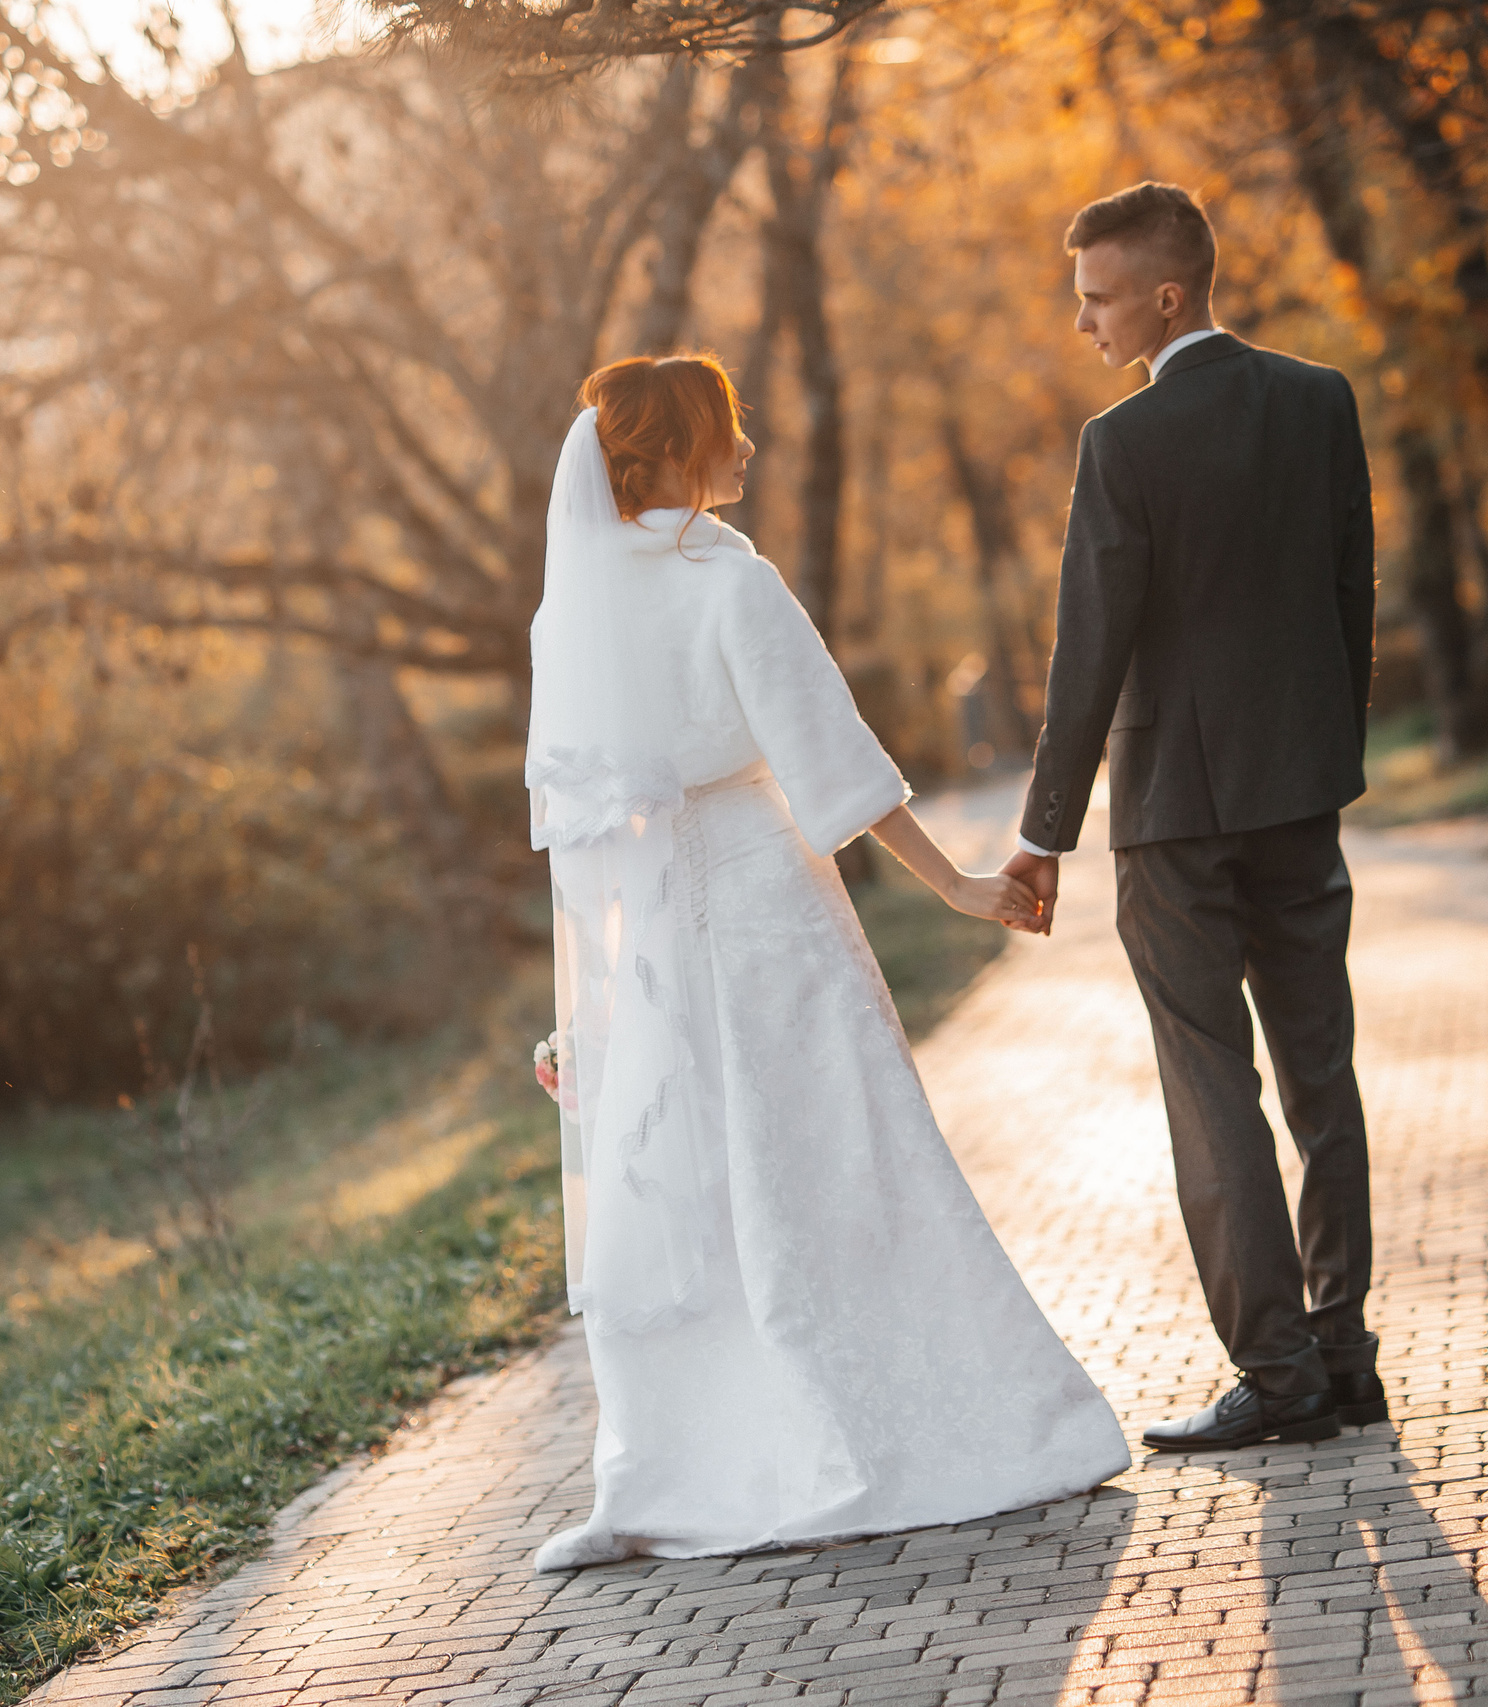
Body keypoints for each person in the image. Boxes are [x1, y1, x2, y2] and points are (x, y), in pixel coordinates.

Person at [527, 354, 1130, 1571]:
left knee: (684, 1187)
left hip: (646, 930)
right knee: (842, 1164)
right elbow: (828, 762)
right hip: (760, 900)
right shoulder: (727, 581)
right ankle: (927, 1432)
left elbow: (578, 829)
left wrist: (588, 1012)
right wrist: (957, 882)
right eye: (731, 430)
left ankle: (667, 1470)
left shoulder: (573, 606)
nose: (749, 447)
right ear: (686, 449)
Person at [1000, 182, 1386, 1452]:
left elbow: (1088, 647)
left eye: (1098, 299)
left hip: (1170, 814)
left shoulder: (1123, 445)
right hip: (1298, 794)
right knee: (1320, 1073)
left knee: (1210, 1086)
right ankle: (1343, 1353)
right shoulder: (1319, 402)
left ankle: (1280, 1384)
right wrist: (1328, 752)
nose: (1084, 325)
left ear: (1168, 293)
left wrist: (1043, 831)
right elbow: (1349, 592)